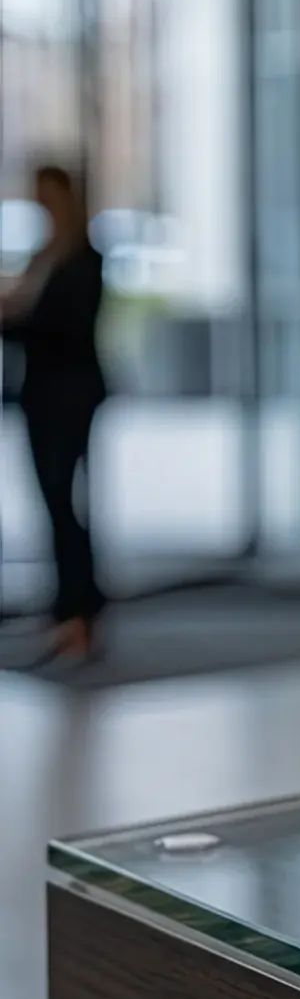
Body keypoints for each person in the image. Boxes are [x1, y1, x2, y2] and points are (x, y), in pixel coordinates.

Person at [1, 165, 107, 662]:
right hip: (41, 393)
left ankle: (79, 610)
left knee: (65, 503)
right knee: (55, 502)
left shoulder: (82, 259)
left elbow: (59, 327)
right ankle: (70, 609)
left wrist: (16, 316)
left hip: (68, 396)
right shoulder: (45, 256)